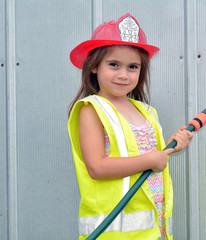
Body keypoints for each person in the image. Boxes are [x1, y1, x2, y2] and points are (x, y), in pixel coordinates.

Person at [68, 13, 193, 240]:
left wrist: (172, 147)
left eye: (132, 67)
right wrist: (152, 160)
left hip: (154, 230)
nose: (123, 75)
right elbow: (96, 167)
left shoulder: (146, 111)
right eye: (114, 65)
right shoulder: (92, 109)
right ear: (94, 66)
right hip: (113, 232)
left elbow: (145, 156)